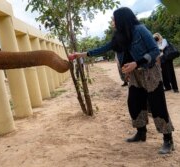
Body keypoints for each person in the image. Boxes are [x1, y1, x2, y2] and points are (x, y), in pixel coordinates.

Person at [69, 7, 174, 154]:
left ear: (122, 19)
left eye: (114, 19)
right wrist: (80, 55)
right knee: (134, 103)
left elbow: (155, 51)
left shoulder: (141, 30)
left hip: (150, 73)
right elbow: (104, 48)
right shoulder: (120, 36)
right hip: (135, 75)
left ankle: (168, 139)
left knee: (157, 106)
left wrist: (136, 63)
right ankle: (141, 132)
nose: (112, 22)